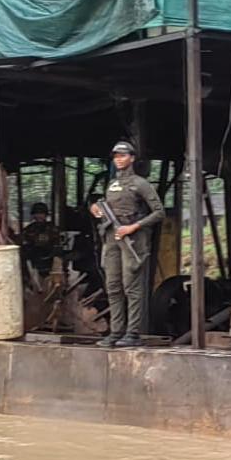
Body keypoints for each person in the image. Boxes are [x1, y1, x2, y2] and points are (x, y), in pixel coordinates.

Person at [89, 141, 165, 348]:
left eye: (123, 155)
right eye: (116, 156)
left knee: (131, 286)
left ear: (132, 158)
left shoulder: (140, 183)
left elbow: (159, 212)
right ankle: (116, 332)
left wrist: (134, 227)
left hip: (132, 238)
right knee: (113, 286)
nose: (119, 159)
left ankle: (132, 333)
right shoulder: (112, 184)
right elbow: (106, 206)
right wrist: (96, 208)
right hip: (112, 237)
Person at [21, 202, 59, 277]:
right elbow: (24, 244)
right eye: (36, 213)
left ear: (45, 215)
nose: (39, 216)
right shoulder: (29, 229)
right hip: (34, 260)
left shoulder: (53, 228)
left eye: (41, 213)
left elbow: (58, 244)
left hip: (50, 260)